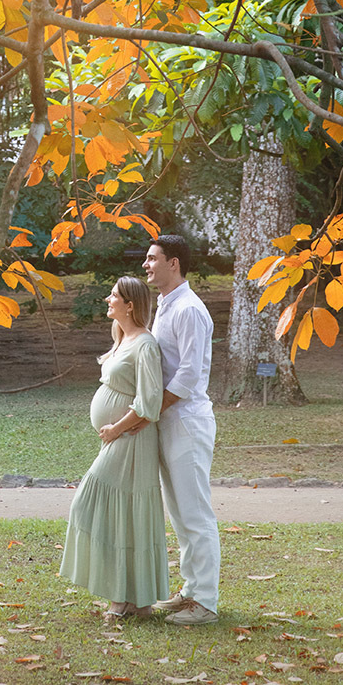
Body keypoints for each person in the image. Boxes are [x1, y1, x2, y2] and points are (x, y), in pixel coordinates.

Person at [60, 276, 169, 618]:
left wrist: (117, 428)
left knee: (94, 506)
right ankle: (131, 600)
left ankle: (124, 601)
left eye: (114, 296)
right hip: (120, 438)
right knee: (114, 515)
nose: (108, 299)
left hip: (131, 440)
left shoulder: (145, 345)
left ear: (130, 304)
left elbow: (150, 401)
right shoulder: (123, 338)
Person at [144, 234, 220, 625]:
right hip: (169, 421)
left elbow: (189, 373)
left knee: (195, 514)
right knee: (179, 514)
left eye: (153, 258)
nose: (146, 265)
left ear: (174, 263)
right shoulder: (166, 306)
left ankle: (205, 603)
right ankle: (190, 592)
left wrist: (150, 410)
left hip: (187, 420)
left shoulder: (189, 309)